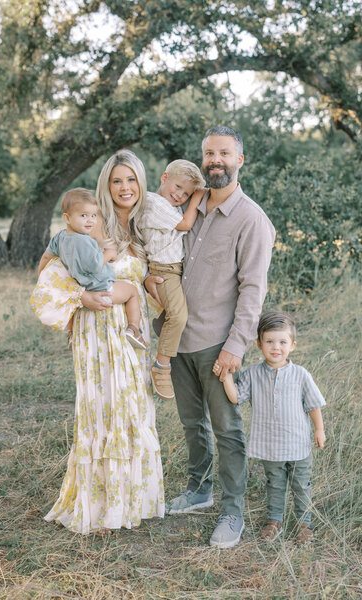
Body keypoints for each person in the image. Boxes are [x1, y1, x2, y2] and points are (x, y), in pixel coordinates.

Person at [146, 125, 276, 548]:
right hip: (176, 338)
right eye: (209, 154)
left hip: (218, 345)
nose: (215, 160)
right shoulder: (185, 206)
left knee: (228, 429)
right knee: (191, 423)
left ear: (240, 161)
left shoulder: (251, 219)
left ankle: (232, 510)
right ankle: (199, 490)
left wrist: (236, 346)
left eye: (224, 153)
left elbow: (253, 290)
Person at [31, 149, 165, 534]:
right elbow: (46, 272)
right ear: (106, 185)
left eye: (132, 180)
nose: (125, 188)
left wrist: (151, 284)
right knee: (101, 411)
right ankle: (99, 506)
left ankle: (133, 500)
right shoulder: (89, 224)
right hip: (94, 334)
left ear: (141, 183)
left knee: (132, 410)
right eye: (117, 180)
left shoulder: (143, 229)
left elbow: (145, 281)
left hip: (129, 335)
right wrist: (79, 299)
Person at [217, 311, 326, 544]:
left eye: (282, 342)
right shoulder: (253, 374)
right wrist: (227, 377)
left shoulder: (300, 375)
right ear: (259, 344)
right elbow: (237, 397)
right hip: (270, 446)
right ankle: (274, 519)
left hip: (298, 445)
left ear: (292, 346)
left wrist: (319, 429)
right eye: (269, 341)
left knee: (301, 485)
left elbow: (313, 405)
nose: (276, 347)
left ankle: (304, 523)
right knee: (274, 484)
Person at [37, 187, 146, 350]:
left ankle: (71, 333)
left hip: (81, 291)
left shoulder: (59, 238)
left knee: (72, 311)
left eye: (93, 215)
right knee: (131, 292)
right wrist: (109, 254)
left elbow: (47, 257)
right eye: (83, 215)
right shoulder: (84, 240)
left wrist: (41, 277)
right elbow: (94, 265)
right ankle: (134, 328)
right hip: (102, 289)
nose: (90, 220)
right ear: (67, 218)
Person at [139, 160, 205, 400]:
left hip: (174, 268)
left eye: (186, 193)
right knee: (179, 316)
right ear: (164, 177)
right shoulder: (154, 203)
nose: (180, 195)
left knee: (179, 313)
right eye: (177, 187)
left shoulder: (169, 205)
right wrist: (197, 197)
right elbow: (186, 224)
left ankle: (164, 331)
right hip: (164, 269)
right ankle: (162, 366)